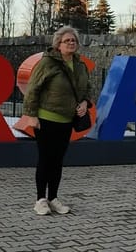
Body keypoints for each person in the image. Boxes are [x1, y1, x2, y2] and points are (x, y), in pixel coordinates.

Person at [22, 26, 93, 216]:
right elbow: (32, 90)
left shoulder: (80, 65)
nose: (71, 43)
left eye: (74, 41)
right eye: (67, 40)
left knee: (58, 160)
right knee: (45, 159)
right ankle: (40, 200)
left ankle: (53, 198)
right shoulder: (47, 63)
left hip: (67, 120)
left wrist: (85, 102)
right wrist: (31, 115)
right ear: (58, 44)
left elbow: (87, 88)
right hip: (46, 119)